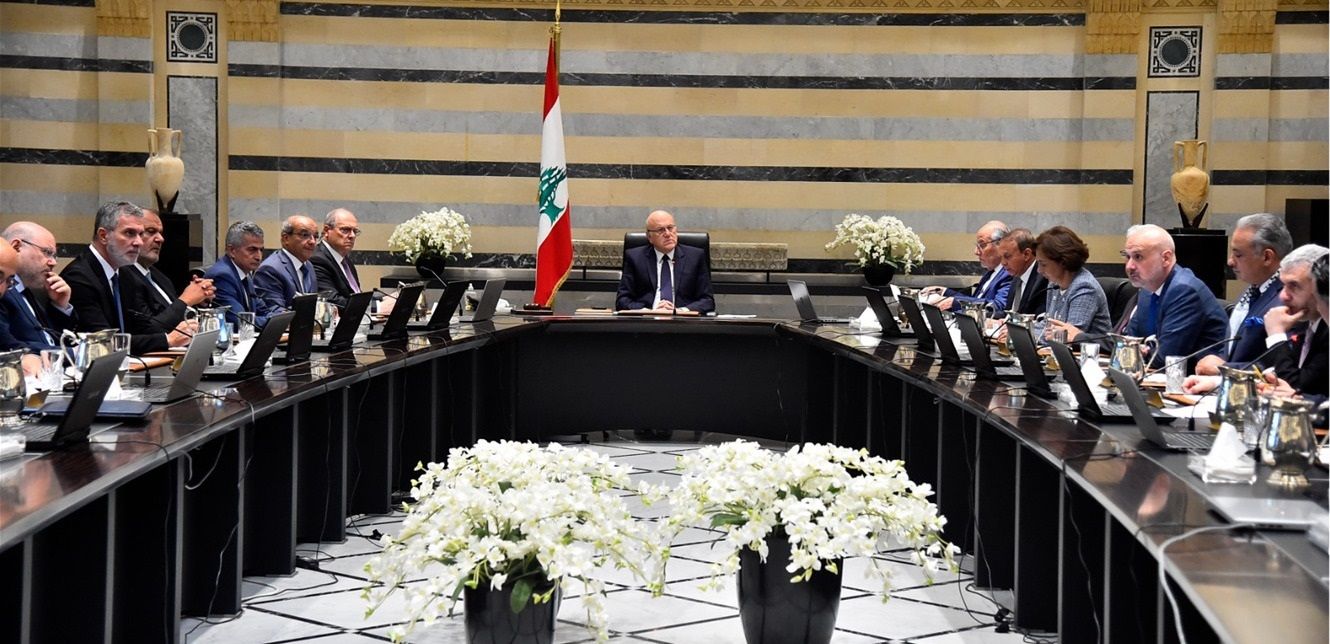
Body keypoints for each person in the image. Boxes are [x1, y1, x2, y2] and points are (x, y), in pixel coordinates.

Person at [1185, 245, 1328, 400]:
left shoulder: (1322, 330)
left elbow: (1294, 387)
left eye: (1294, 286)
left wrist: (1276, 335)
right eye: (1283, 285)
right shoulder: (1307, 323)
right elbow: (1268, 371)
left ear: (1319, 287)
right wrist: (1217, 382)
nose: (1283, 296)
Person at [61, 201, 194, 354]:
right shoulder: (79, 277)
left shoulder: (124, 274)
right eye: (130, 233)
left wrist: (180, 332)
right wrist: (167, 340)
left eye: (140, 234)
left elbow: (142, 329)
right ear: (103, 236)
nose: (138, 242)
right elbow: (102, 342)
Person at [1193, 213, 1292, 375]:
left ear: (1267, 257)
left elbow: (1280, 367)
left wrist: (1224, 369)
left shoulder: (1287, 299)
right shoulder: (1254, 290)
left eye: (1238, 255)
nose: (1230, 261)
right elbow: (1233, 351)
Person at [1120, 224, 1227, 369]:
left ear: (1166, 258)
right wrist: (1136, 350)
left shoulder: (1184, 290)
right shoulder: (1147, 289)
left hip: (1196, 379)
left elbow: (1166, 358)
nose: (1129, 266)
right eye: (1127, 257)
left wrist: (1138, 351)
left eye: (1138, 257)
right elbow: (1128, 343)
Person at [120, 209, 214, 334]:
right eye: (151, 231)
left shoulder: (160, 277)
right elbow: (149, 331)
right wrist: (186, 299)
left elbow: (173, 314)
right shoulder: (124, 276)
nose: (160, 239)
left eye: (160, 233)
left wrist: (198, 299)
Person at [615, 210, 714, 314]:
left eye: (670, 228)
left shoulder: (695, 257)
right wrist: (648, 311)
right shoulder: (635, 258)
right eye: (660, 230)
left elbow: (707, 300)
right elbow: (622, 300)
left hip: (682, 319)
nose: (667, 234)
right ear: (649, 237)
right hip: (648, 318)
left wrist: (680, 311)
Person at [0, 222, 77, 355]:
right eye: (47, 252)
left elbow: (52, 338)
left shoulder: (29, 289)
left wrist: (60, 306)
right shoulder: (5, 292)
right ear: (16, 247)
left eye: (54, 255)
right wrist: (76, 353)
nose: (53, 262)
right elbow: (10, 346)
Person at [1034, 226, 1111, 344]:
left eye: (1043, 264)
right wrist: (1017, 330)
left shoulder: (1084, 288)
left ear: (1063, 261)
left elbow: (1066, 336)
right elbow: (1047, 325)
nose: (1039, 270)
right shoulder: (1054, 284)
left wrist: (1025, 334)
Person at [920, 220, 1011, 312]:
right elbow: (975, 300)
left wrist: (954, 302)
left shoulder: (1009, 273)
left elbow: (998, 306)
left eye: (982, 245)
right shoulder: (990, 273)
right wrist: (945, 292)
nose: (976, 252)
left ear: (1000, 245)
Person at [204, 221, 268, 327]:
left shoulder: (245, 273)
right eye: (252, 250)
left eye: (261, 250)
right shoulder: (222, 276)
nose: (259, 257)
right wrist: (275, 321)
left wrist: (277, 317)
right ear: (232, 250)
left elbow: (262, 310)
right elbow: (241, 321)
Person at [254, 214, 320, 314]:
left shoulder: (308, 266)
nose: (312, 241)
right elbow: (275, 312)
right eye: (304, 235)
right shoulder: (270, 269)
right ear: (286, 238)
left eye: (315, 236)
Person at [310, 208, 362, 309]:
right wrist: (375, 307)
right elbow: (331, 301)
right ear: (326, 231)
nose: (352, 236)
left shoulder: (345, 261)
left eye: (355, 231)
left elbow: (355, 294)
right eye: (345, 230)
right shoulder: (317, 260)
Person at [995, 228, 1047, 317]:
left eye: (1007, 256)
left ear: (1026, 254)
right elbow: (1010, 313)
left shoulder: (1043, 279)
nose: (1003, 263)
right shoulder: (1017, 274)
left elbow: (1038, 318)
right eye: (1001, 257)